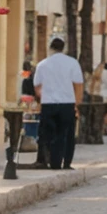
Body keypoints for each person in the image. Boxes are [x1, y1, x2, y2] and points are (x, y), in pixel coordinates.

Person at [33, 36, 84, 170]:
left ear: (51, 48)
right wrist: (76, 104)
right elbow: (78, 85)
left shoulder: (42, 64)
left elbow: (37, 86)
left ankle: (48, 160)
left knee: (47, 133)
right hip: (67, 103)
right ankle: (66, 163)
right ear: (63, 48)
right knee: (66, 134)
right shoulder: (72, 63)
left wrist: (44, 97)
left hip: (48, 103)